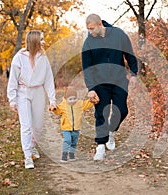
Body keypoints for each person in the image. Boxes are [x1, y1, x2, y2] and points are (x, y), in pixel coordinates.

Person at [81, 14, 138, 161]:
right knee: (101, 113)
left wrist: (133, 73)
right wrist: (91, 88)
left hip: (119, 80)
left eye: (92, 28)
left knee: (122, 110)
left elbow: (129, 54)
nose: (90, 32)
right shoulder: (88, 42)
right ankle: (100, 146)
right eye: (88, 29)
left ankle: (111, 131)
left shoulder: (118, 34)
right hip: (100, 84)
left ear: (100, 24)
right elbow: (87, 68)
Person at [7, 30, 57, 169]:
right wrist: (12, 99)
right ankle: (28, 155)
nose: (44, 42)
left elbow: (48, 80)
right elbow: (13, 79)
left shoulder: (43, 58)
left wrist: (52, 100)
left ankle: (33, 145)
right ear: (34, 41)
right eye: (41, 39)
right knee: (26, 125)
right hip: (23, 93)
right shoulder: (19, 57)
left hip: (38, 92)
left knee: (38, 125)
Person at [52, 87, 99, 162]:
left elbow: (87, 103)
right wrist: (54, 109)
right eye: (70, 99)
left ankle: (71, 154)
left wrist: (94, 101)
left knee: (74, 142)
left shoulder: (79, 104)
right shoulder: (63, 105)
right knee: (67, 140)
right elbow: (58, 110)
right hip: (66, 128)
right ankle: (64, 155)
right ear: (66, 98)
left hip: (76, 128)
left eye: (74, 98)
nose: (72, 101)